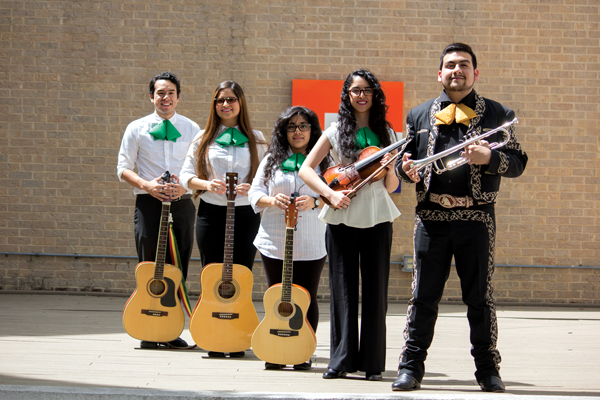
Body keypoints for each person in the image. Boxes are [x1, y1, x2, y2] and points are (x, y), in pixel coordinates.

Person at [392, 43, 528, 393]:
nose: (457, 71)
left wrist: (489, 158)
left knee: (479, 297)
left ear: (475, 73)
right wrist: (407, 172)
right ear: (440, 73)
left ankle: (488, 371)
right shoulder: (419, 114)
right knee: (423, 296)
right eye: (450, 65)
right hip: (431, 217)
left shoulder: (498, 114)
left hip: (476, 218)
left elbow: (518, 161)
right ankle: (410, 368)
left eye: (464, 65)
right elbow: (402, 162)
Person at [299, 69, 401, 381]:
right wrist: (329, 194)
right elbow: (306, 169)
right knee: (342, 287)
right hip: (341, 213)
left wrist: (392, 166)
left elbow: (392, 186)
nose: (361, 95)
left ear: (375, 95)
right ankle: (341, 359)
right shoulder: (333, 131)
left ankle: (372, 363)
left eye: (367, 90)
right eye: (355, 90)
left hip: (377, 214)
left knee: (375, 290)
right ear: (347, 95)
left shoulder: (388, 133)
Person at [179, 80, 268, 357]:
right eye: (220, 100)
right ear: (214, 105)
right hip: (211, 213)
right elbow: (184, 176)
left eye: (231, 99)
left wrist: (251, 188)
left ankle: (237, 336)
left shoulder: (258, 139)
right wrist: (206, 185)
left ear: (241, 103)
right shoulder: (202, 138)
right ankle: (211, 334)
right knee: (211, 274)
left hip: (245, 215)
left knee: (241, 274)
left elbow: (266, 178)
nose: (225, 105)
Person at [117, 71, 200, 349]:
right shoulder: (136, 128)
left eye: (171, 93)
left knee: (178, 267)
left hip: (182, 205)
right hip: (149, 205)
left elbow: (201, 169)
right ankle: (148, 329)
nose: (166, 98)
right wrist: (146, 185)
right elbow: (123, 168)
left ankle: (170, 328)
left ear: (178, 96)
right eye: (160, 93)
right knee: (149, 265)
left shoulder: (192, 129)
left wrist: (185, 188)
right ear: (151, 96)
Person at [248, 106, 331, 371]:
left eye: (303, 126)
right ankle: (275, 349)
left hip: (311, 240)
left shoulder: (324, 159)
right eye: (291, 126)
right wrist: (272, 200)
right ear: (284, 131)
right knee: (277, 294)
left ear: (313, 130)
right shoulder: (272, 158)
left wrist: (316, 200)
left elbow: (339, 193)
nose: (298, 131)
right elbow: (253, 192)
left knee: (307, 295)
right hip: (274, 239)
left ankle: (302, 351)